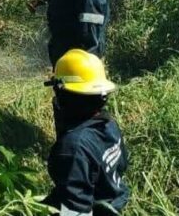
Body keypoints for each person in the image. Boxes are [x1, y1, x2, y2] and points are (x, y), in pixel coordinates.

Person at [44, 49, 129, 216]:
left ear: (64, 93)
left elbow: (75, 211)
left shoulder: (73, 147)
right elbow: (122, 164)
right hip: (112, 203)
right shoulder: (108, 124)